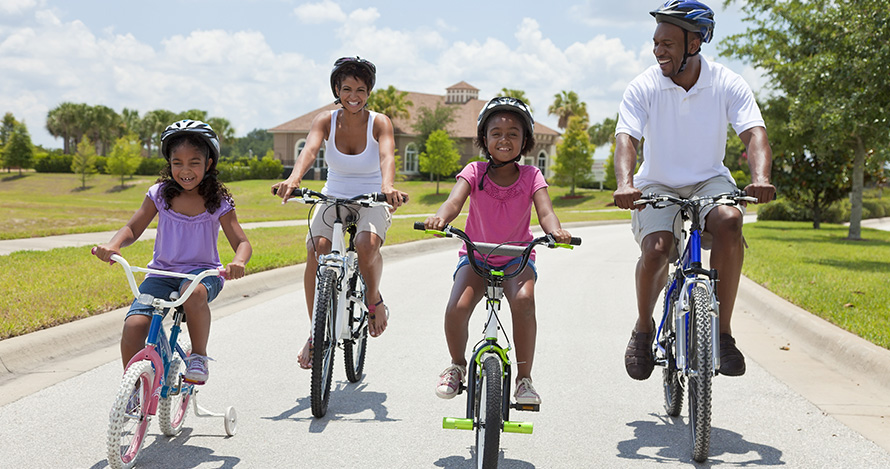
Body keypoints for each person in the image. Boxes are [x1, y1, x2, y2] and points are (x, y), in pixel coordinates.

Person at [612, 0, 776, 380]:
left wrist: (761, 177)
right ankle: (642, 328)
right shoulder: (644, 85)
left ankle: (723, 334)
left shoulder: (726, 82)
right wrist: (625, 183)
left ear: (695, 43)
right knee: (656, 251)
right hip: (657, 182)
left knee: (730, 223)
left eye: (667, 43)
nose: (658, 51)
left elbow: (755, 134)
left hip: (708, 179)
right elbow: (626, 139)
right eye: (656, 43)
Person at [423, 97, 572, 405]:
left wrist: (554, 231)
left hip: (517, 260)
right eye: (496, 132)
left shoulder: (532, 176)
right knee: (457, 307)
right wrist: (440, 218)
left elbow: (546, 212)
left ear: (525, 141)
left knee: (524, 301)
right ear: (484, 139)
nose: (504, 139)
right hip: (476, 257)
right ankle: (457, 365)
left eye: (513, 133)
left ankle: (524, 380)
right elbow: (453, 202)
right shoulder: (474, 171)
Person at [272, 56, 408, 369]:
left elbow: (387, 156)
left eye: (361, 89)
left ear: (369, 91)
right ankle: (315, 333)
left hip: (372, 195)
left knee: (365, 244)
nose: (354, 96)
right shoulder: (325, 120)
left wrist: (388, 187)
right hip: (334, 194)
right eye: (347, 88)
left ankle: (373, 298)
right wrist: (293, 180)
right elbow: (309, 150)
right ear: (337, 89)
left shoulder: (380, 122)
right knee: (316, 250)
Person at [93, 119, 252, 385]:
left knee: (194, 294)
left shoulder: (219, 201)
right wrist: (114, 245)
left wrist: (238, 261)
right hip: (161, 274)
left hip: (203, 275)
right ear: (169, 164)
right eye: (177, 162)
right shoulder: (159, 194)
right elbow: (133, 227)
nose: (185, 170)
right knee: (134, 326)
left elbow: (242, 242)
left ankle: (199, 356)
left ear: (208, 164)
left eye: (194, 162)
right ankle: (132, 389)